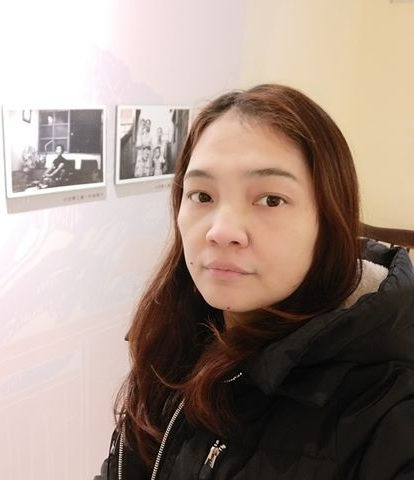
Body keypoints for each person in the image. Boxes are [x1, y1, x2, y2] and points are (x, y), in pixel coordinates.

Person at [94, 84, 414, 479]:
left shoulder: (390, 408)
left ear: (329, 221)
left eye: (270, 200)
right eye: (202, 196)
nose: (221, 231)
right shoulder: (175, 340)